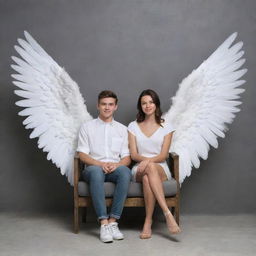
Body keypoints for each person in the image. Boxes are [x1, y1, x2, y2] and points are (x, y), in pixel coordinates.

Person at [77, 90, 131, 243]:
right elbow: (82, 154)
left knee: (125, 173)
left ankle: (113, 221)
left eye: (110, 104)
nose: (107, 108)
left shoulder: (122, 129)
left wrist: (117, 165)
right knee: (96, 173)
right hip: (93, 168)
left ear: (116, 107)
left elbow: (126, 157)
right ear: (98, 106)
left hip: (115, 168)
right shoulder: (87, 127)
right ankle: (103, 223)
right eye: (104, 104)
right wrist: (100, 164)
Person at [128, 89, 181, 239]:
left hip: (160, 167)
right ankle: (167, 213)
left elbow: (163, 155)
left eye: (151, 102)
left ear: (156, 104)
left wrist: (148, 162)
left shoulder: (167, 126)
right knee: (146, 174)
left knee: (148, 175)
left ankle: (148, 222)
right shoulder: (133, 126)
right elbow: (133, 154)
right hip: (138, 167)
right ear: (140, 106)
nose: (147, 105)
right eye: (144, 103)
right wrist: (144, 162)